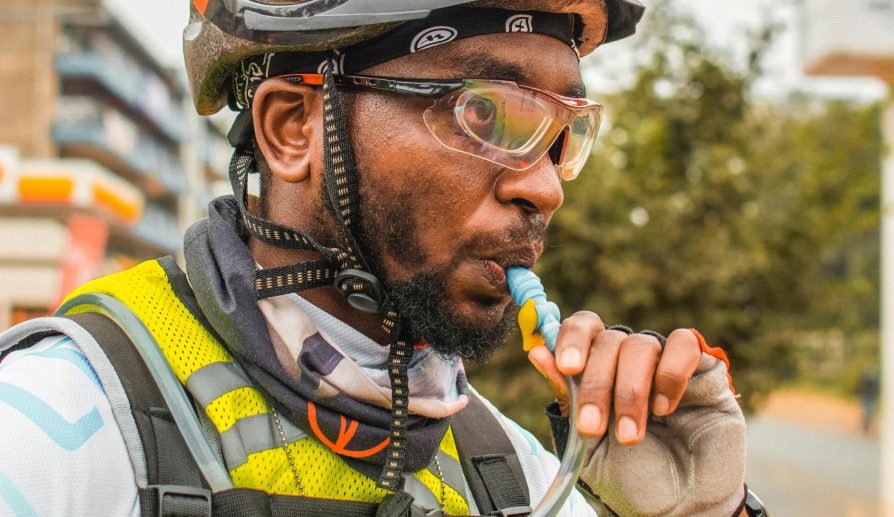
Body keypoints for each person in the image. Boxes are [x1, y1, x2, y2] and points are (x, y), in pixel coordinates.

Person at [0, 1, 764, 515]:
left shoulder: (512, 470)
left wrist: (708, 511)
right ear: (294, 128)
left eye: (565, 132)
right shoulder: (56, 429)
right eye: (487, 111)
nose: (543, 186)